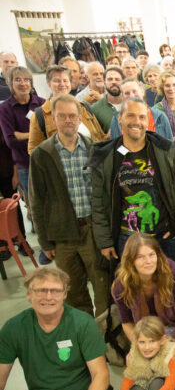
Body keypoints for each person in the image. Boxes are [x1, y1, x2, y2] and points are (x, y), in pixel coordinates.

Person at [28, 93, 110, 318]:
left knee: (103, 285)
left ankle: (107, 338)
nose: (68, 120)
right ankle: (83, 335)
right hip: (63, 235)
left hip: (93, 231)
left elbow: (105, 194)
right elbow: (36, 200)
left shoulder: (94, 149)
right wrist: (45, 240)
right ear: (53, 118)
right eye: (62, 116)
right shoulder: (42, 155)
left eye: (73, 116)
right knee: (73, 291)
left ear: (80, 117)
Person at [90, 97, 175, 266]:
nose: (137, 122)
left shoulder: (165, 148)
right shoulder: (106, 156)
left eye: (142, 117)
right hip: (127, 239)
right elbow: (99, 202)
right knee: (135, 290)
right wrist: (104, 241)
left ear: (148, 120)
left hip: (166, 234)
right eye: (130, 116)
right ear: (119, 118)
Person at [28, 65, 106, 153]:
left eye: (65, 80)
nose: (62, 84)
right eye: (57, 81)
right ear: (49, 83)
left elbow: (100, 137)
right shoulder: (40, 115)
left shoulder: (84, 108)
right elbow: (33, 150)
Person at [0, 66, 44, 218]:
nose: (23, 83)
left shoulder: (42, 103)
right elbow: (10, 141)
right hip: (25, 165)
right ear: (10, 83)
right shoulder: (5, 108)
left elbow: (49, 135)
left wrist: (22, 135)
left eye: (26, 80)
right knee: (34, 206)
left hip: (45, 162)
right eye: (18, 80)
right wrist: (35, 136)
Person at [109, 78, 173, 140]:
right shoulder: (117, 119)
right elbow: (114, 147)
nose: (131, 96)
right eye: (127, 93)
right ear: (122, 97)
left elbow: (169, 147)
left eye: (134, 91)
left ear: (142, 91)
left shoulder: (160, 116)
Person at [90, 66, 125, 133]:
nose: (113, 82)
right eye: (110, 79)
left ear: (123, 82)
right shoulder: (95, 109)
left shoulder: (132, 104)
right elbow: (95, 137)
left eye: (117, 79)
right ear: (104, 83)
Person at [153, 71, 175, 137]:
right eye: (167, 85)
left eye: (174, 85)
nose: (171, 88)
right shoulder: (156, 110)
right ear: (162, 88)